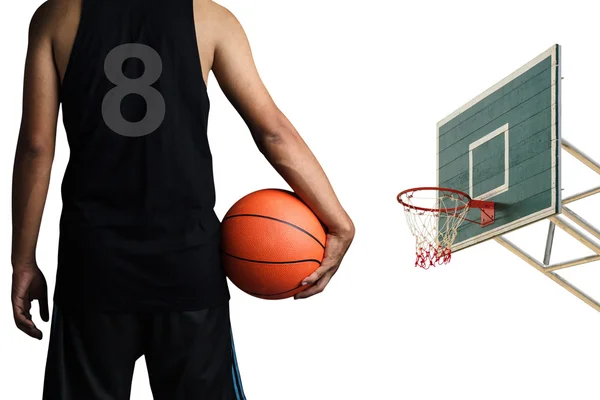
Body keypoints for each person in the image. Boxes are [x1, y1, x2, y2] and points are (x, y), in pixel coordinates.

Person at [10, 0, 355, 399]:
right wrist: (339, 222)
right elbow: (272, 132)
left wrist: (23, 260)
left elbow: (36, 148)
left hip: (92, 269)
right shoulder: (210, 18)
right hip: (187, 269)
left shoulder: (55, 16)